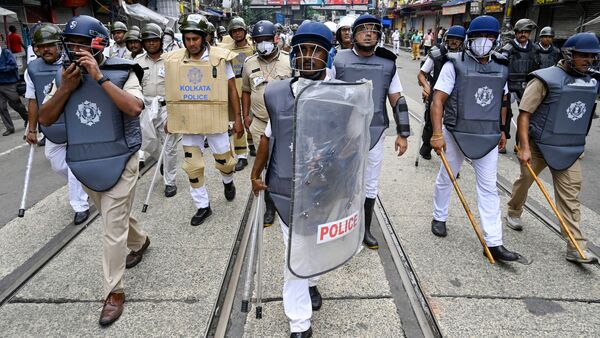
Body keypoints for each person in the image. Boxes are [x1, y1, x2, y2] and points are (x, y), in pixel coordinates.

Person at [38, 15, 150, 326]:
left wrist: (99, 77)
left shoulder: (123, 71)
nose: (74, 50)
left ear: (97, 45)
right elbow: (46, 119)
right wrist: (66, 88)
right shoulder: (64, 77)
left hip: (121, 159)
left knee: (111, 227)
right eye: (70, 44)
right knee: (114, 214)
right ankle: (140, 241)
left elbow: (134, 108)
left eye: (80, 44)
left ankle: (113, 292)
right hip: (85, 162)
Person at [250, 22, 339, 338]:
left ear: (327, 55)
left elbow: (352, 143)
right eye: (300, 50)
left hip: (324, 188)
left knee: (313, 244)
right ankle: (299, 323)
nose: (306, 57)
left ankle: (312, 281)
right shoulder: (276, 92)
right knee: (295, 253)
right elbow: (268, 138)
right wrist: (255, 173)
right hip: (286, 186)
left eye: (314, 50)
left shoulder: (344, 93)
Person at [429, 15, 523, 262]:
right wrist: (437, 134)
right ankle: (439, 216)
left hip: (487, 135)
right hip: (455, 132)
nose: (484, 42)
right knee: (447, 177)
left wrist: (503, 130)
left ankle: (493, 242)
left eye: (490, 37)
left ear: (497, 40)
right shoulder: (454, 64)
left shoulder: (502, 67)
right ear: (469, 39)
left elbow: (503, 101)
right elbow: (437, 100)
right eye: (479, 37)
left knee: (489, 188)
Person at [505, 32, 600, 264]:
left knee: (570, 197)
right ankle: (514, 211)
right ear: (569, 54)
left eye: (592, 56)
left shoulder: (592, 82)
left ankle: (576, 246)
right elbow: (524, 114)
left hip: (569, 149)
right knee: (525, 181)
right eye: (583, 56)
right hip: (538, 146)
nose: (588, 61)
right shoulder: (543, 79)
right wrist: (524, 147)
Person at [334, 14, 410, 250]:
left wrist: (403, 133)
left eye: (373, 30)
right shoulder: (338, 60)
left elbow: (398, 100)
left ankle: (365, 228)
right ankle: (339, 226)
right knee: (341, 182)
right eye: (363, 29)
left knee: (370, 184)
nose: (369, 33)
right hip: (343, 133)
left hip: (375, 131)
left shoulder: (388, 63)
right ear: (353, 34)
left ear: (379, 35)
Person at [163, 14, 242, 226]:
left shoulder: (220, 58)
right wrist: (171, 119)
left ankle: (228, 181)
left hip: (215, 119)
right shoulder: (174, 59)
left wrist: (238, 119)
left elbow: (232, 90)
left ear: (204, 37)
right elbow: (172, 91)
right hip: (189, 121)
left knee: (224, 160)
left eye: (195, 39)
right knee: (193, 165)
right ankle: (202, 206)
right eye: (187, 39)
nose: (191, 43)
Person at [24, 23, 91, 224]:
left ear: (60, 44)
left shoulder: (75, 61)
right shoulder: (32, 70)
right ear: (35, 48)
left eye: (51, 44)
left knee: (72, 165)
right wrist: (32, 129)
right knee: (56, 162)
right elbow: (33, 100)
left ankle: (80, 205)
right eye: (41, 46)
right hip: (52, 127)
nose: (46, 49)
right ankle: (86, 184)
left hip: (76, 123)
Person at [241, 20, 291, 227]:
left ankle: (287, 200)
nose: (263, 44)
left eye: (266, 40)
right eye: (258, 40)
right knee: (265, 168)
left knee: (283, 164)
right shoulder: (249, 63)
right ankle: (270, 208)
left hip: (283, 124)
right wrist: (245, 115)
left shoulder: (289, 61)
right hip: (260, 122)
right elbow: (245, 90)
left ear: (275, 40)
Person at [136, 23, 180, 198]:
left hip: (166, 107)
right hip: (145, 108)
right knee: (147, 142)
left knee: (169, 146)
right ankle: (160, 160)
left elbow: (178, 87)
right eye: (148, 41)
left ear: (160, 41)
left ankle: (170, 182)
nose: (151, 44)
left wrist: (175, 114)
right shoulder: (137, 62)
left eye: (154, 40)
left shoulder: (171, 60)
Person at [417, 25, 466, 160]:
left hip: (456, 95)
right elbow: (421, 74)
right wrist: (426, 87)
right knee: (431, 122)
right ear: (446, 39)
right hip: (436, 92)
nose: (454, 42)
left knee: (454, 123)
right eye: (451, 39)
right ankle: (426, 146)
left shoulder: (466, 56)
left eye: (458, 39)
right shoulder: (437, 54)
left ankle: (451, 156)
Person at [501, 18, 539, 148]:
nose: (523, 34)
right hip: (510, 86)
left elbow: (538, 66)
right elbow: (501, 66)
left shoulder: (534, 48)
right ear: (516, 32)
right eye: (520, 32)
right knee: (505, 114)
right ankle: (502, 142)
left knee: (527, 115)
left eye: (526, 32)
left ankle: (520, 144)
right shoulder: (508, 48)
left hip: (527, 86)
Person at [222, 17, 253, 171]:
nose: (237, 33)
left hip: (251, 89)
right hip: (234, 89)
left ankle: (252, 143)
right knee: (237, 120)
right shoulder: (226, 50)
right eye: (234, 31)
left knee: (252, 118)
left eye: (240, 30)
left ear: (244, 31)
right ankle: (241, 155)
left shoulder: (253, 48)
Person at [0, 44, 28, 136]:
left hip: (9, 84)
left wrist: (1, 69)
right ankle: (10, 128)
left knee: (16, 104)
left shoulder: (6, 53)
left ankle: (27, 118)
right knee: (1, 107)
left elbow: (13, 67)